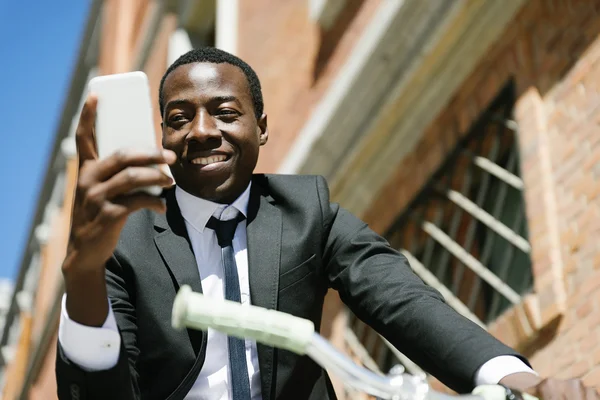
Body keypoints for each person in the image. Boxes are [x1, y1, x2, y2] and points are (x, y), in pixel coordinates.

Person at [55, 47, 598, 400]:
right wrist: (82, 274)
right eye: (178, 119)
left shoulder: (305, 210)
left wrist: (518, 381)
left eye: (224, 112)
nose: (201, 131)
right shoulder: (120, 240)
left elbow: (403, 301)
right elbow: (97, 393)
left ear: (261, 128)